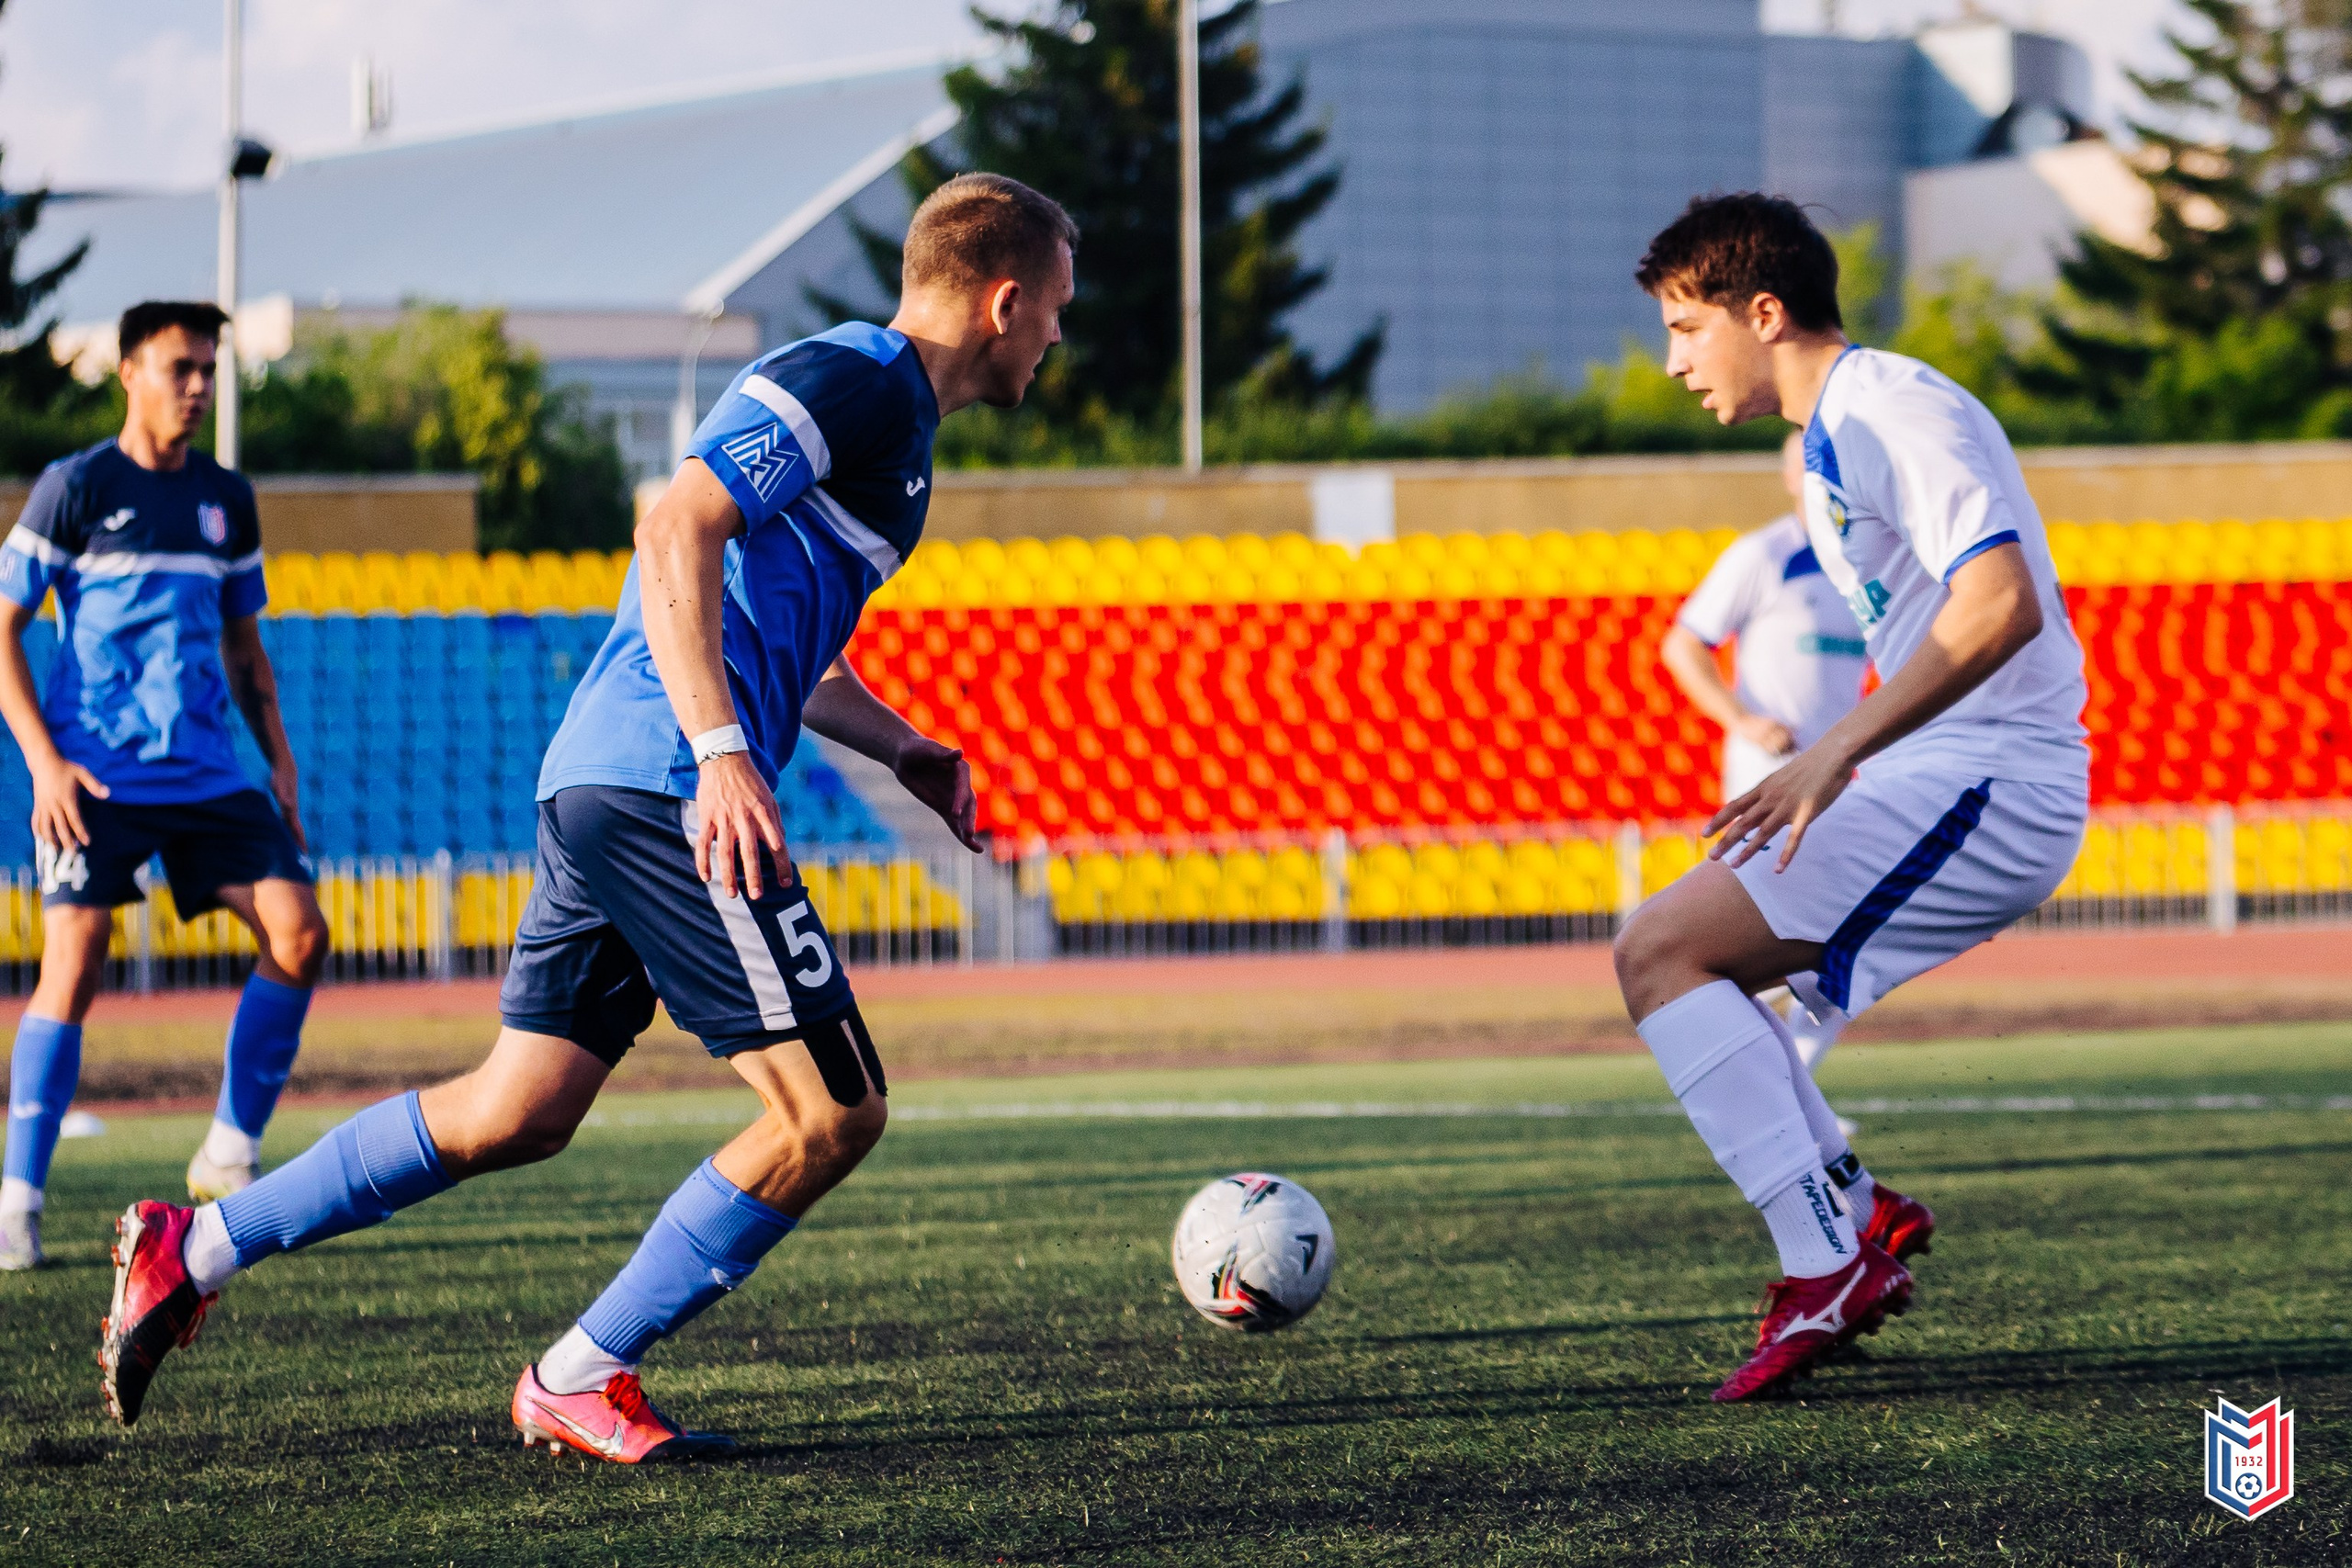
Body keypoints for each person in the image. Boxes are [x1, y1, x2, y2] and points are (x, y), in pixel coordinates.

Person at [96, 173, 1078, 1457]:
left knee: (519, 1106)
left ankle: (198, 1239)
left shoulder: (900, 432)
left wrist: (906, 748)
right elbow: (677, 523)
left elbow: (780, 626)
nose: (1060, 334)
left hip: (613, 775)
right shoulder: (862, 376)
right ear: (1005, 299)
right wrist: (723, 753)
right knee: (830, 1109)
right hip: (667, 782)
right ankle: (581, 1369)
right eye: (1057, 305)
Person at [1617, 193, 2088, 1401]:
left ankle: (1828, 1257)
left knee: (1663, 947)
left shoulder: (1892, 408)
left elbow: (2002, 607)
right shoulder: (1838, 430)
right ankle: (1856, 1215)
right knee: (1688, 964)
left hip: (1995, 778)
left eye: (1685, 325)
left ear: (1762, 312)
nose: (1672, 360)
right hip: (1953, 770)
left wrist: (1834, 753)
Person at [0, 302, 327, 1272]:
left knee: (301, 934)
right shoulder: (76, 486)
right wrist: (44, 764)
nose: (196, 386)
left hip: (210, 771)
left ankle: (229, 1154)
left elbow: (242, 642)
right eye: (179, 367)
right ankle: (18, 1200)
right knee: (79, 954)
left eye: (207, 369)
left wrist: (279, 754)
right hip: (94, 772)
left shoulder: (230, 497)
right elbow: (2, 630)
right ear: (129, 373)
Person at [1661, 429, 1870, 1077]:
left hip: (1840, 781)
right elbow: (1684, 644)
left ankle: (1795, 1080)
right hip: (1767, 780)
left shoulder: (1866, 565)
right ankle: (1744, 1075)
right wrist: (1743, 719)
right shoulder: (1765, 554)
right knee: (1753, 937)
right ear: (1788, 478)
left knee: (1852, 938)